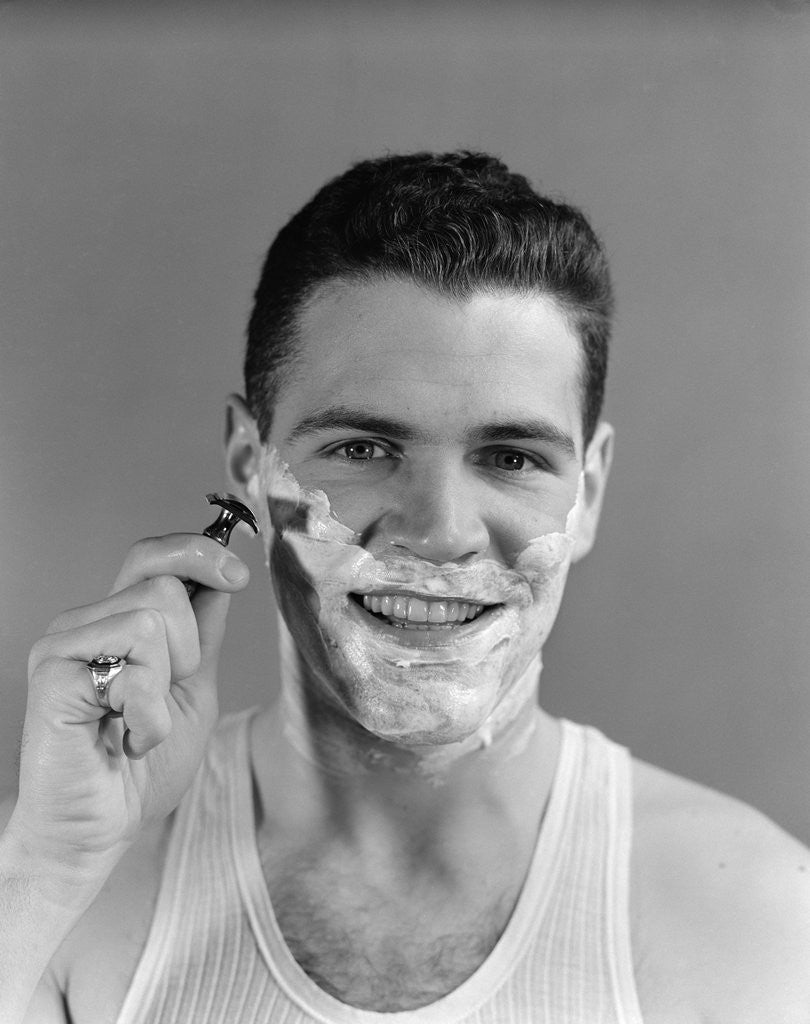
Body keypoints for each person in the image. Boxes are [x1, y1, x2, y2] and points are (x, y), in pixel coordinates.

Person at [1, 151, 808, 1024]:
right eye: (362, 449)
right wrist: (45, 869)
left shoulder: (754, 916)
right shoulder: (71, 893)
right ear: (248, 464)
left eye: (511, 458)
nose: (441, 531)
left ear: (591, 488)